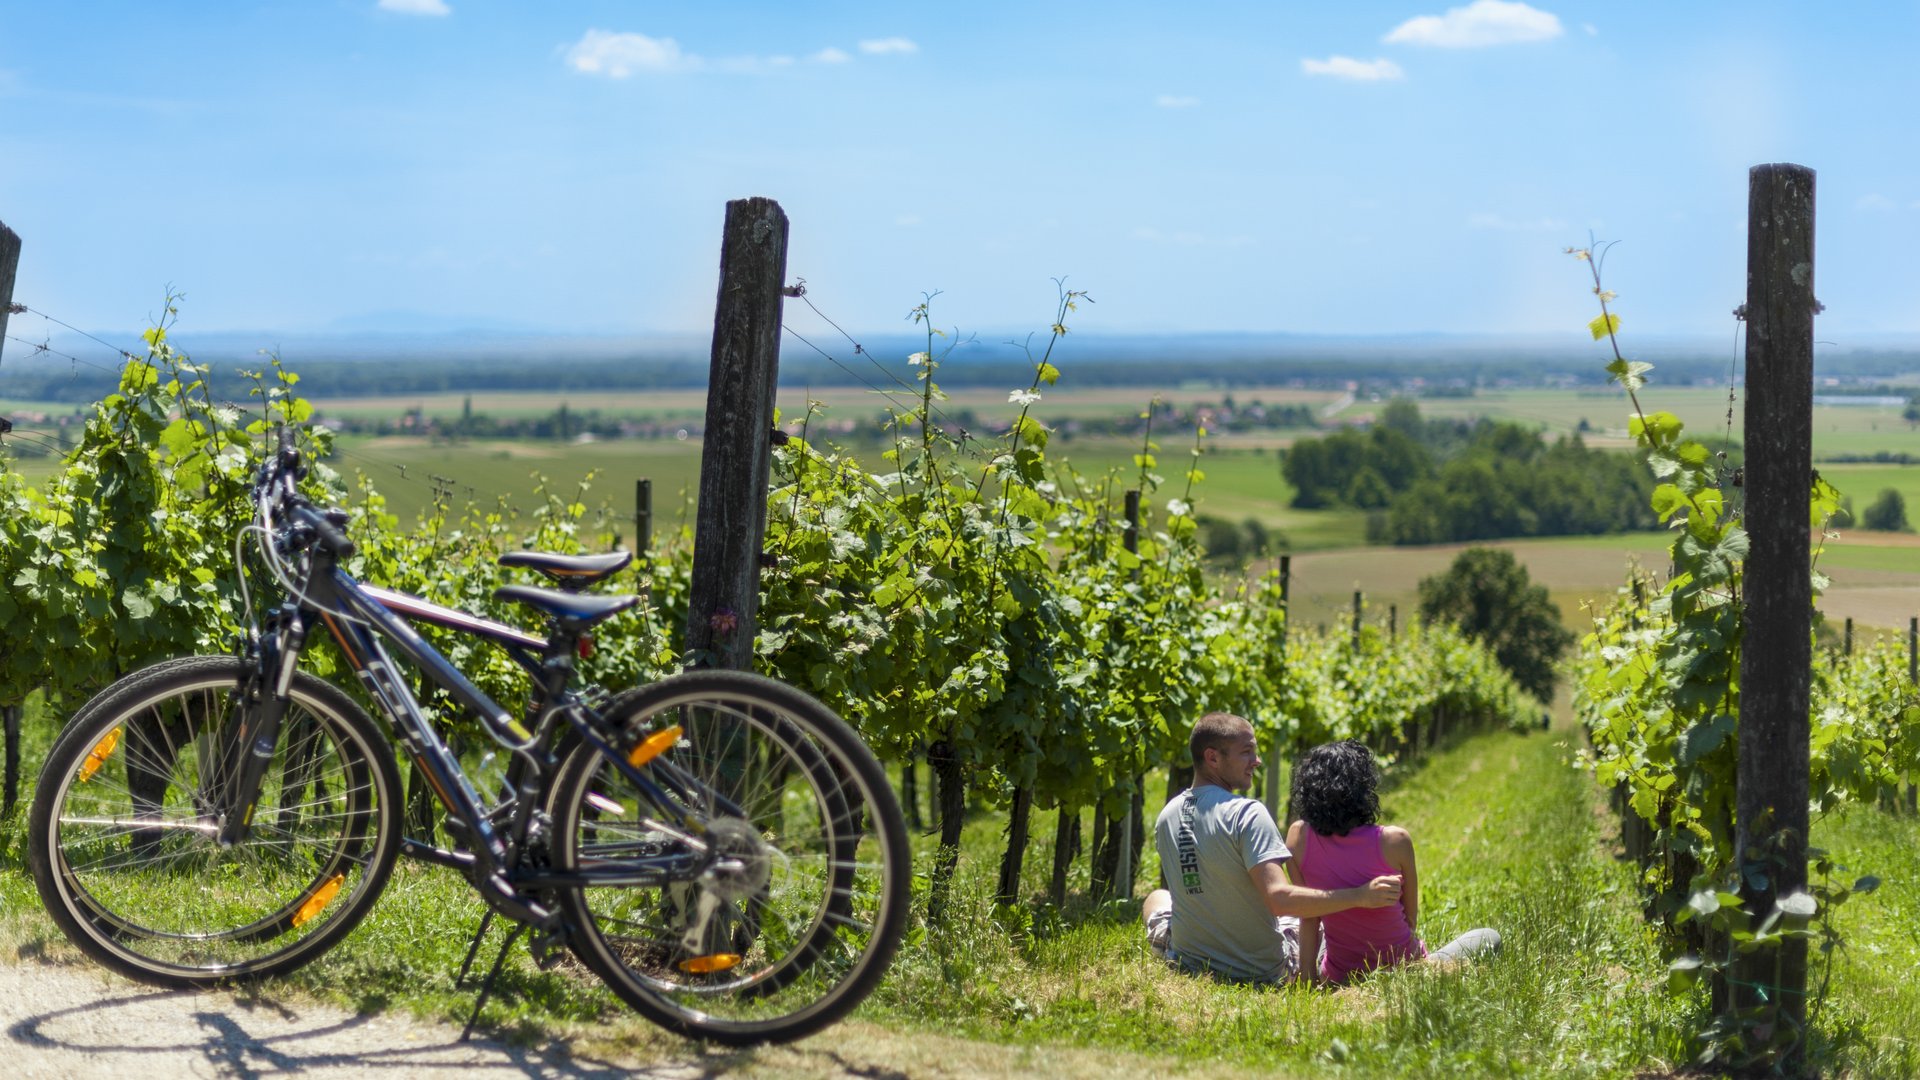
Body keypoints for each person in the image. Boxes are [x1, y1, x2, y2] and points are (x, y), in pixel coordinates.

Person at [1141, 713, 1405, 983]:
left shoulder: (1166, 816)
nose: (1256, 761)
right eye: (1246, 753)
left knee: (1157, 898)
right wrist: (1359, 896)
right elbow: (1279, 899)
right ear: (1213, 758)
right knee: (1312, 920)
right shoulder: (1246, 813)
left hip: (1189, 960)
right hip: (1258, 969)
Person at [1285, 739, 1501, 984]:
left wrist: (1308, 978)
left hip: (1341, 975)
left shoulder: (1298, 837)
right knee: (1488, 937)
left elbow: (1309, 914)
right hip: (1404, 971)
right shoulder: (1394, 840)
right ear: (1363, 789)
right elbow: (1410, 920)